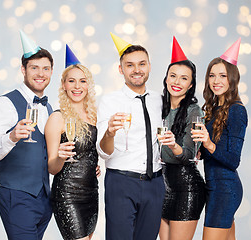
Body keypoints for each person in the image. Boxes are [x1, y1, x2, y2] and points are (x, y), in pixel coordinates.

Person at [0, 30, 53, 239]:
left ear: (51, 72)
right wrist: (12, 137)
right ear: (23, 70)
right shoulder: (5, 103)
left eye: (46, 68)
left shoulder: (49, 107)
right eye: (34, 68)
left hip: (44, 199)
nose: (40, 73)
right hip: (16, 195)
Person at [96, 33, 165, 240]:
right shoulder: (109, 102)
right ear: (121, 69)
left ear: (150, 66)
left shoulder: (160, 101)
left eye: (142, 64)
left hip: (155, 183)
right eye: (130, 65)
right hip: (121, 182)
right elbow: (103, 151)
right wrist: (109, 133)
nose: (137, 70)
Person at [191, 38, 248, 240]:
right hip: (214, 186)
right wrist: (200, 150)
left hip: (225, 189)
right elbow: (215, 151)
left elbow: (233, 160)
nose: (216, 80)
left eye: (222, 75)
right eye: (212, 75)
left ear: (232, 79)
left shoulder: (237, 111)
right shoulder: (214, 110)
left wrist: (208, 144)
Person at [45, 44, 98, 240]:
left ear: (88, 85)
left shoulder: (94, 116)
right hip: (68, 195)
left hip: (92, 194)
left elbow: (91, 152)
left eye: (82, 81)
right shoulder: (57, 119)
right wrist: (60, 156)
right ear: (64, 85)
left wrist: (94, 165)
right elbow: (52, 167)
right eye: (72, 81)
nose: (77, 86)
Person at [158, 37, 206, 240]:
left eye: (184, 78)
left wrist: (173, 145)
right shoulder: (157, 106)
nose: (177, 82)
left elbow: (189, 155)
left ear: (191, 84)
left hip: (187, 187)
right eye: (173, 76)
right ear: (166, 78)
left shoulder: (194, 112)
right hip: (162, 185)